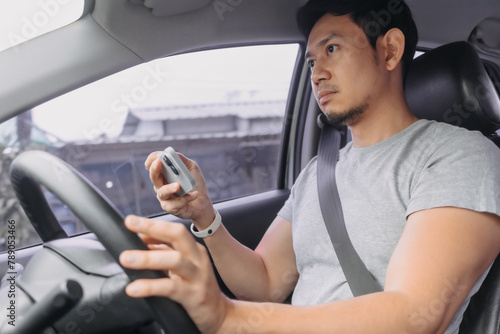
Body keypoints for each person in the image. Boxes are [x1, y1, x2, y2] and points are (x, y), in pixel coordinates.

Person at [119, 0, 500, 333]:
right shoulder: (319, 171)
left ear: (389, 50)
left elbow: (414, 315)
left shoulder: (458, 157)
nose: (317, 73)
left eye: (332, 49)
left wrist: (227, 320)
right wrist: (204, 216)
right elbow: (267, 282)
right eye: (313, 60)